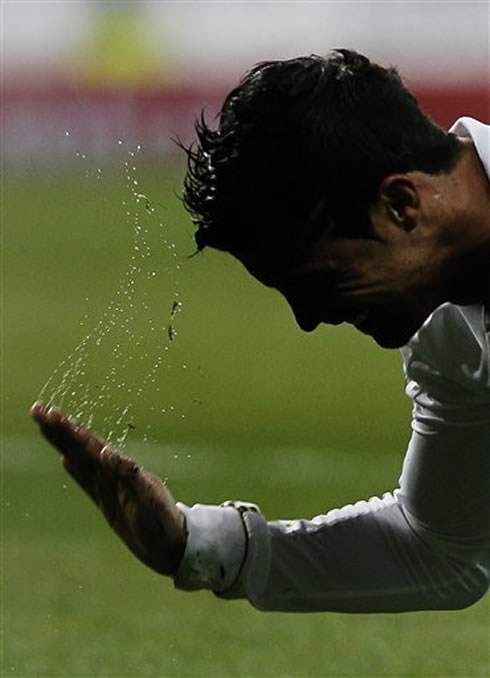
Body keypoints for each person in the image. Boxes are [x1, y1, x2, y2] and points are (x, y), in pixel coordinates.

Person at [31, 49, 490, 613]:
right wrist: (196, 544)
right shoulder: (446, 336)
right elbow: (441, 549)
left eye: (321, 280)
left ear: (400, 204)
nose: (309, 319)